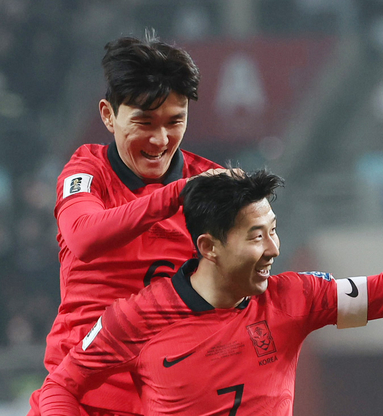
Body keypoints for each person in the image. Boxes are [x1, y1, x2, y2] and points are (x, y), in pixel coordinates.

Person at [37, 141, 383, 416]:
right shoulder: (135, 319)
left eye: (273, 230)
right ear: (209, 247)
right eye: (257, 237)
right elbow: (61, 386)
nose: (274, 248)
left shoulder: (296, 299)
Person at [28, 31, 226, 416]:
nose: (160, 139)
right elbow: (83, 236)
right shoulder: (88, 171)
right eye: (144, 122)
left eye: (175, 121)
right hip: (78, 401)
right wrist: (176, 196)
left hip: (171, 403)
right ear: (108, 115)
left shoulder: (209, 184)